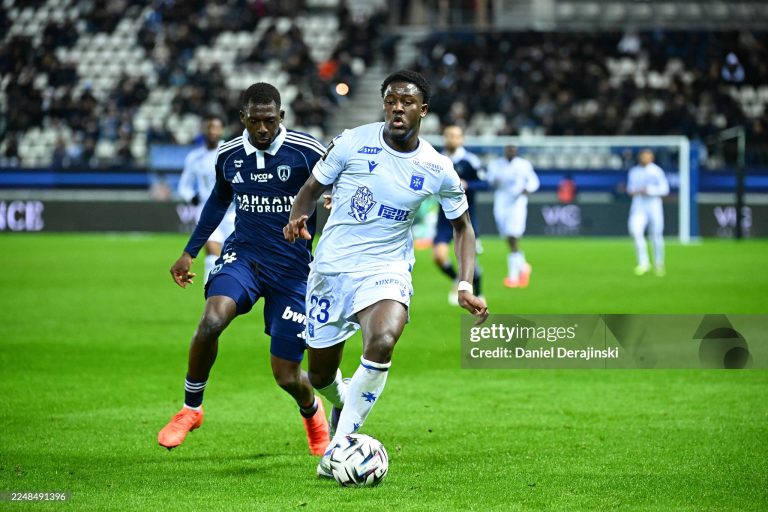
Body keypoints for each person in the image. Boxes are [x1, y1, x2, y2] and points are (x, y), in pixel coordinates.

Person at [283, 69, 488, 478]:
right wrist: (297, 216)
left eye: (407, 102)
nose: (398, 107)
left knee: (383, 339)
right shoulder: (352, 142)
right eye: (391, 100)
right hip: (331, 270)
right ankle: (344, 399)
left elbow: (462, 227)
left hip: (386, 268)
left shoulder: (437, 167)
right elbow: (310, 187)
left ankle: (339, 448)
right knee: (321, 375)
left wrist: (464, 283)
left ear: (423, 110)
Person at [158, 82, 331, 456]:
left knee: (286, 374)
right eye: (255, 121)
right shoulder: (230, 155)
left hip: (293, 272)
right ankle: (191, 408)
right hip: (244, 258)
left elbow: (339, 188)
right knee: (211, 321)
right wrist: (189, 251)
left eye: (269, 120)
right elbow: (218, 201)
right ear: (243, 119)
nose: (263, 129)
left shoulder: (306, 152)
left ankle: (312, 412)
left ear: (281, 117)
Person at [176, 114, 236, 283]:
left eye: (216, 127)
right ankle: (211, 289)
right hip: (207, 209)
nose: (212, 131)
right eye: (209, 127)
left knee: (233, 255)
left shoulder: (230, 151)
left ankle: (231, 288)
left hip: (232, 212)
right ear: (203, 130)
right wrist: (191, 197)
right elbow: (184, 185)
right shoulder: (194, 156)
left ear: (222, 130)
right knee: (212, 250)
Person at [433, 125, 487, 305]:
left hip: (466, 217)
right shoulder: (437, 159)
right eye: (449, 135)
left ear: (462, 139)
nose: (452, 139)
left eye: (456, 136)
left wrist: (468, 184)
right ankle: (459, 279)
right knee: (439, 257)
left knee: (470, 260)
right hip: (444, 218)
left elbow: (484, 184)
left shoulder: (470, 161)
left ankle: (479, 293)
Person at [487, 145, 540, 288]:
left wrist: (527, 189)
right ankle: (523, 266)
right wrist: (496, 180)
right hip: (501, 202)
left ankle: (513, 276)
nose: (510, 152)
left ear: (516, 152)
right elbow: (490, 180)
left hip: (517, 204)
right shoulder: (496, 164)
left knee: (512, 235)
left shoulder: (524, 165)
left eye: (513, 150)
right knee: (507, 236)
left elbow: (534, 182)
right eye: (508, 150)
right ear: (504, 151)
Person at [627, 149, 669, 276]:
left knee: (656, 234)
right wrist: (633, 191)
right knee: (635, 231)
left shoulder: (656, 171)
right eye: (642, 156)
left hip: (653, 205)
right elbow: (630, 188)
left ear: (652, 158)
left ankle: (658, 263)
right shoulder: (634, 171)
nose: (644, 158)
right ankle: (643, 262)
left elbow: (665, 189)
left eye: (647, 156)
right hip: (639, 205)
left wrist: (650, 190)